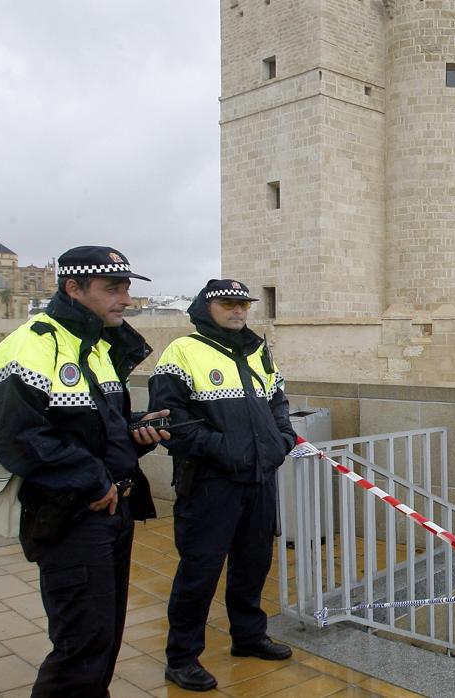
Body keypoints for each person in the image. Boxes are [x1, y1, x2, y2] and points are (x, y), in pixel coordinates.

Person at [0, 246, 168, 697]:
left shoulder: (99, 347)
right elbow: (17, 435)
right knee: (80, 644)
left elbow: (92, 427)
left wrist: (133, 432)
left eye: (127, 287)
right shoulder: (30, 345)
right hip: (71, 514)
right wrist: (93, 478)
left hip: (112, 510)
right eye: (113, 288)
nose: (125, 298)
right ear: (73, 288)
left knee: (104, 635)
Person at [148, 279, 296, 691]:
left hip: (259, 478)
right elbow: (169, 420)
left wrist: (279, 442)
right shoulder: (183, 352)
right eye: (229, 304)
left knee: (253, 564)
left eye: (244, 305)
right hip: (211, 482)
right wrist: (225, 449)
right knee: (200, 570)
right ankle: (181, 657)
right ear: (206, 307)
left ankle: (248, 636)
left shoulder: (257, 350)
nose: (239, 311)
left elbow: (277, 400)